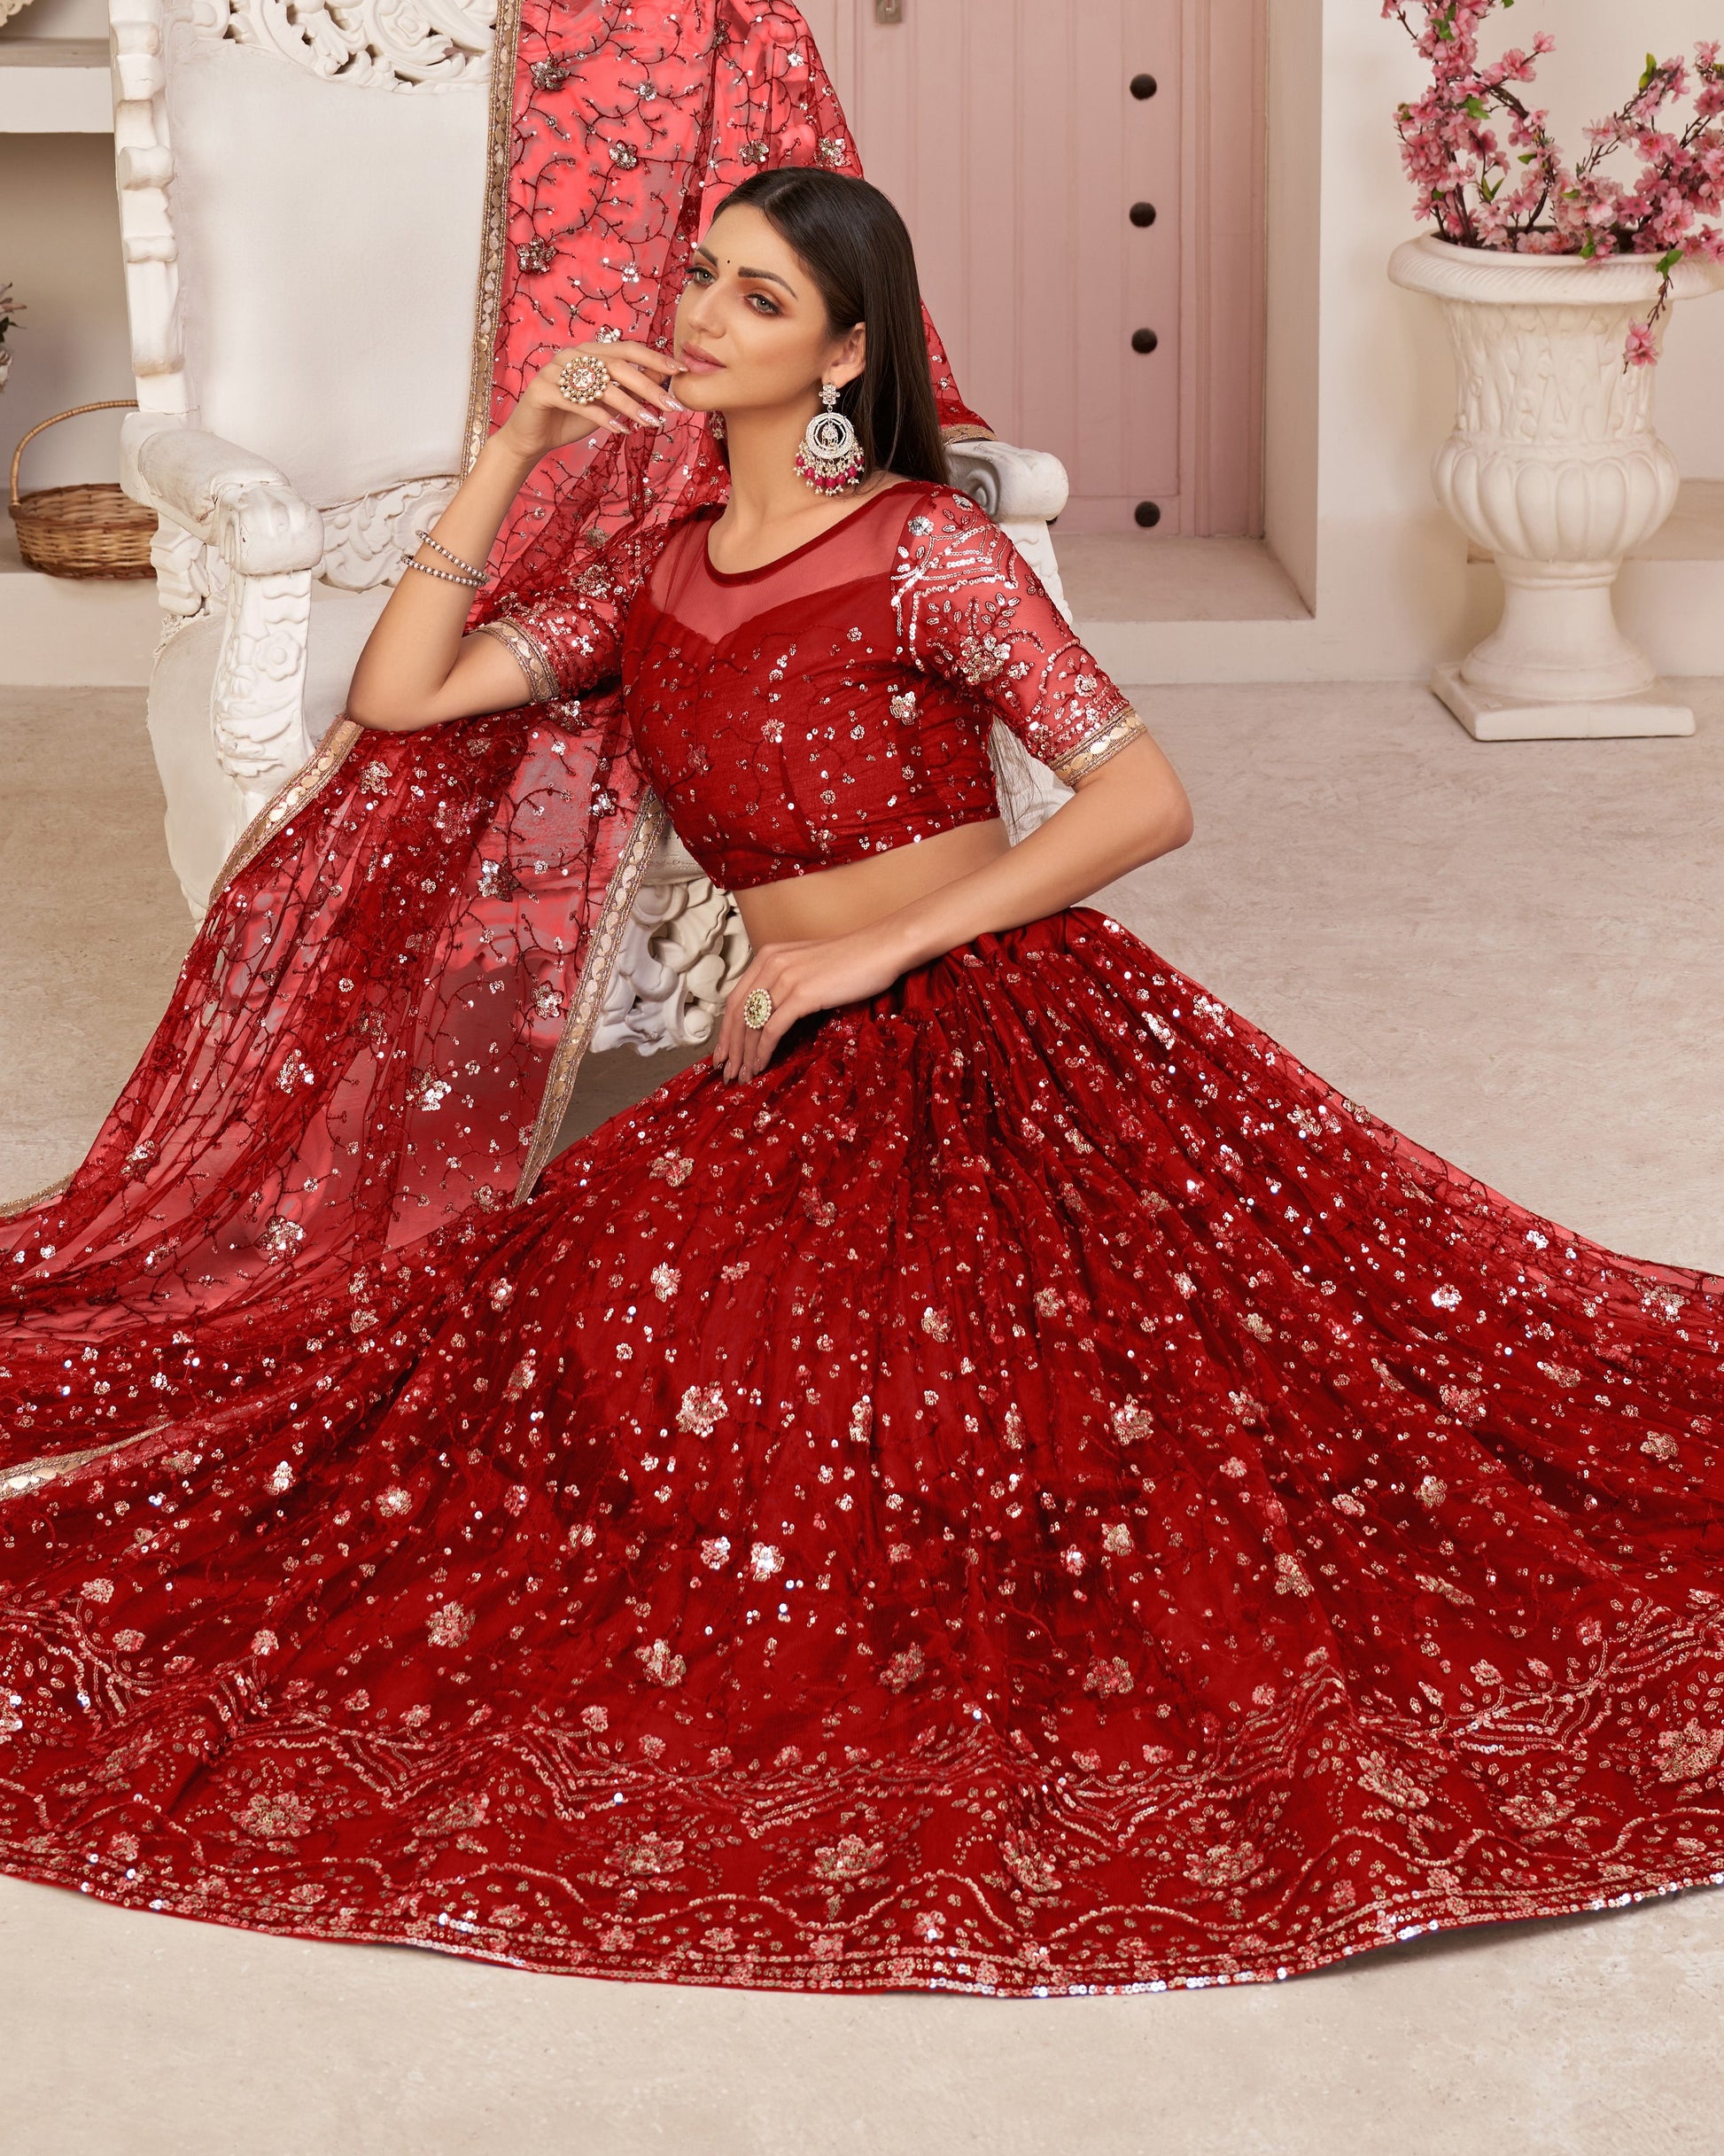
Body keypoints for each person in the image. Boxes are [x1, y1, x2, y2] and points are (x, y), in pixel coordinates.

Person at [4, 167, 1724, 2003]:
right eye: (699, 279)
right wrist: (509, 449)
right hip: (792, 1063)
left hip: (1000, 1021)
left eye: (755, 299)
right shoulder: (650, 573)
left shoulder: (923, 548)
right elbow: (402, 695)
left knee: (1138, 1412)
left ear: (843, 351)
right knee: (537, 1380)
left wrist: (871, 949)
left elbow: (1143, 798)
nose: (698, 317)